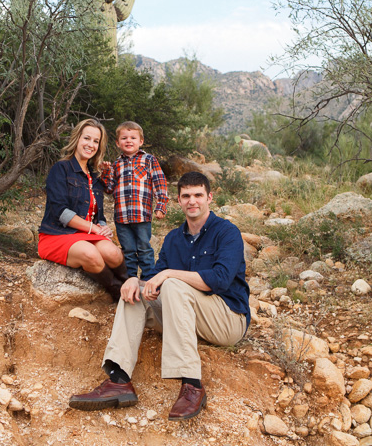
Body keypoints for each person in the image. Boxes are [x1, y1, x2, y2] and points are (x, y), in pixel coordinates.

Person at [68, 171, 250, 421]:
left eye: (198, 195)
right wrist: (134, 279)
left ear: (210, 198)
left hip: (226, 320)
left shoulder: (226, 232)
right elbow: (154, 276)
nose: (192, 201)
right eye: (186, 196)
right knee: (136, 292)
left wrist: (169, 275)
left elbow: (219, 280)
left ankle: (192, 385)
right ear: (179, 200)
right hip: (186, 318)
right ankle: (119, 380)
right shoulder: (174, 238)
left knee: (173, 283)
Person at [38, 119, 128, 301]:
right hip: (57, 235)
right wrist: (93, 228)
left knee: (113, 253)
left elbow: (99, 215)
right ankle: (117, 291)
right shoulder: (61, 169)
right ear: (77, 139)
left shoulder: (95, 178)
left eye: (96, 141)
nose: (91, 145)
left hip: (85, 233)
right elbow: (60, 211)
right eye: (87, 138)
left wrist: (102, 227)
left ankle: (130, 283)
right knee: (90, 254)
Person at [100, 121, 169, 279]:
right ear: (118, 143)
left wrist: (161, 205)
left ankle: (148, 282)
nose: (129, 140)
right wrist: (105, 172)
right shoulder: (116, 164)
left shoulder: (149, 160)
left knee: (144, 249)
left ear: (141, 141)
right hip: (122, 217)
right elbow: (109, 188)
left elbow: (160, 182)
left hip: (142, 215)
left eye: (133, 137)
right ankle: (130, 282)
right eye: (124, 138)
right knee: (128, 251)